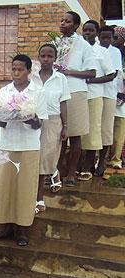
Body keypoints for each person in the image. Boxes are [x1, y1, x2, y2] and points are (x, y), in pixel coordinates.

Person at [0, 54, 48, 246]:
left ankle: (23, 230)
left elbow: (40, 123)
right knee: (3, 188)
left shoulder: (37, 92)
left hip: (29, 146)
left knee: (25, 188)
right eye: (13, 69)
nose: (16, 73)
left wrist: (30, 118)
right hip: (6, 145)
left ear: (29, 71)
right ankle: (4, 227)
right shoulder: (4, 92)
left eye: (20, 69)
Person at [55, 11, 97, 186]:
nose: (63, 23)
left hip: (76, 92)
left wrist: (68, 72)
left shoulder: (83, 45)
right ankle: (56, 172)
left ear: (75, 25)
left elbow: (92, 73)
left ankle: (71, 173)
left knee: (75, 135)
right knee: (58, 135)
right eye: (62, 20)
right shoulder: (55, 42)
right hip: (56, 92)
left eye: (67, 21)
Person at [33, 44, 70, 213]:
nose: (46, 59)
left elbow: (63, 103)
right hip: (32, 122)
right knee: (35, 159)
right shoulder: (31, 76)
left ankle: (39, 198)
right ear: (39, 57)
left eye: (50, 56)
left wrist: (65, 126)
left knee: (44, 159)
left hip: (53, 121)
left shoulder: (60, 78)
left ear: (55, 58)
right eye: (43, 56)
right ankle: (53, 171)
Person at [78, 21, 116, 180]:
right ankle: (77, 164)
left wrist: (90, 81)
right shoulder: (77, 50)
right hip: (77, 95)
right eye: (85, 30)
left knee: (93, 131)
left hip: (94, 95)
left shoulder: (102, 51)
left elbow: (111, 74)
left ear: (97, 33)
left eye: (91, 30)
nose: (87, 33)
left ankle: (88, 166)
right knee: (78, 132)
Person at [93, 25, 122, 176]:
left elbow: (114, 74)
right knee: (93, 128)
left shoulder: (115, 52)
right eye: (102, 37)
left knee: (105, 129)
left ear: (113, 38)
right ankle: (89, 162)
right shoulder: (93, 49)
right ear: (98, 36)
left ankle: (102, 162)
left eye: (108, 37)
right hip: (93, 94)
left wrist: (91, 80)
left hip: (108, 94)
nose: (105, 40)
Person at [108, 26, 125, 169]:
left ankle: (116, 159)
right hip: (109, 92)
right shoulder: (108, 51)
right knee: (106, 127)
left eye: (117, 37)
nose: (114, 40)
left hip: (122, 96)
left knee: (119, 129)